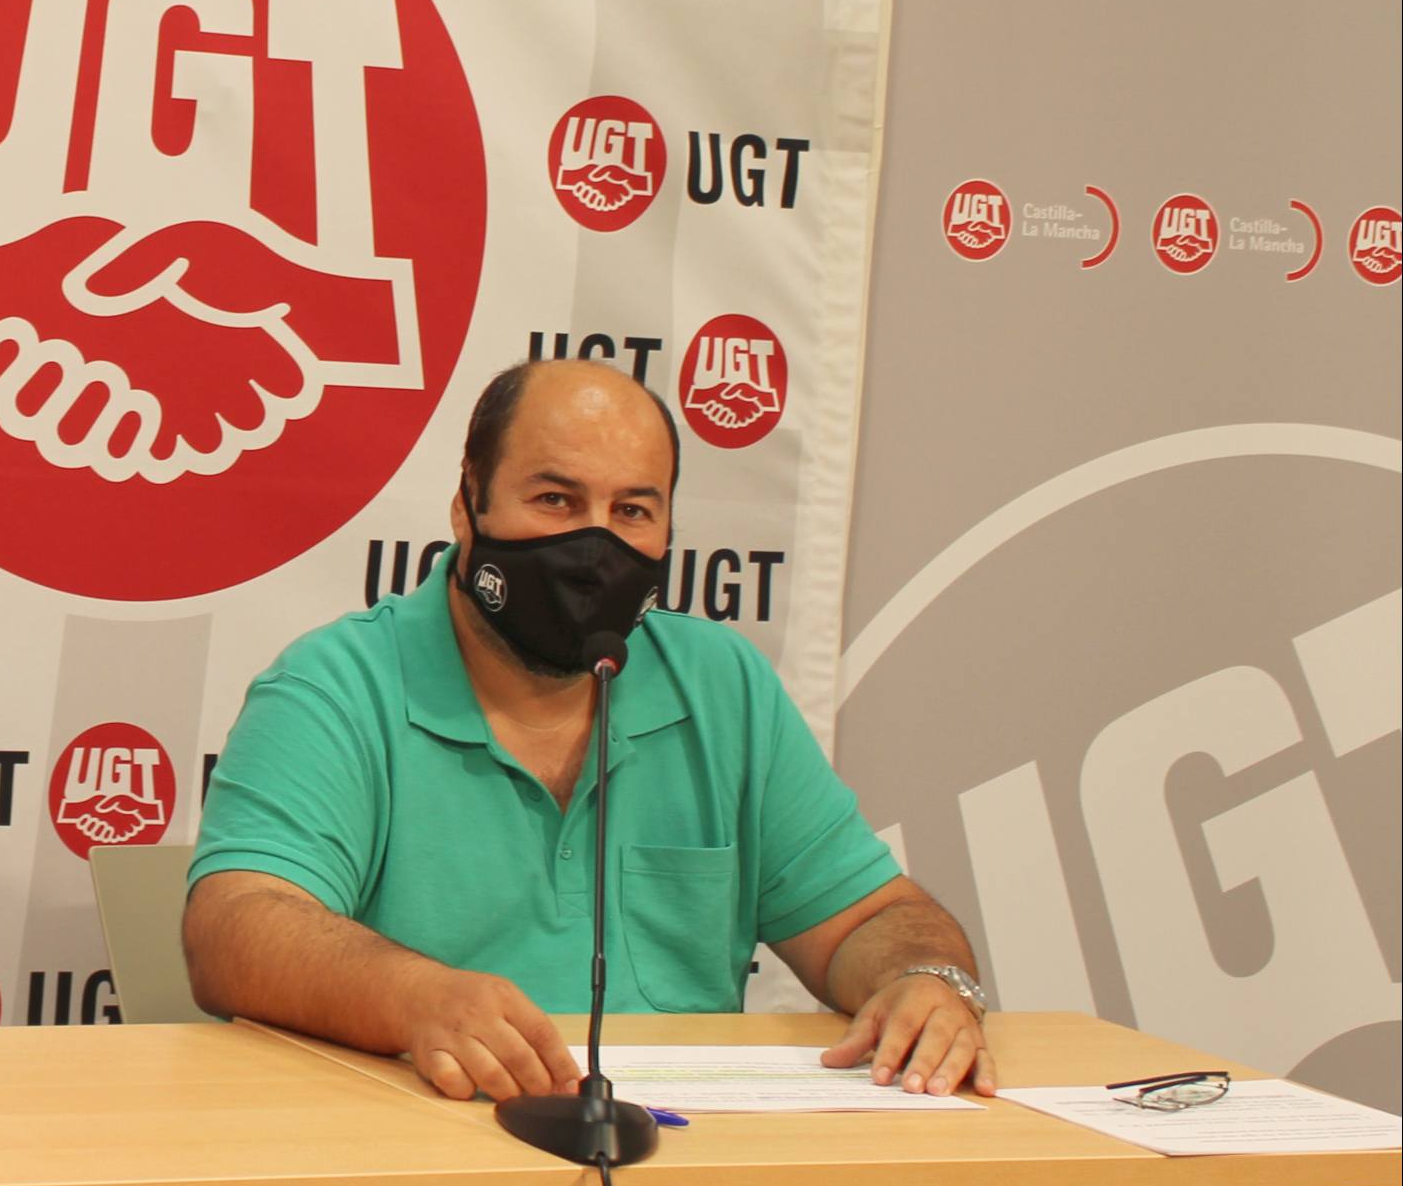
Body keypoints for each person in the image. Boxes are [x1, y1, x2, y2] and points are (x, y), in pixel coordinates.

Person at [183, 358, 993, 1100]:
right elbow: (235, 923)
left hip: (673, 1171)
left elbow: (866, 918)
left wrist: (922, 980)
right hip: (411, 1179)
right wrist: (415, 996)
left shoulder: (721, 683)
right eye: (555, 500)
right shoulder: (336, 683)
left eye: (631, 510)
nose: (594, 544)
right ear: (468, 505)